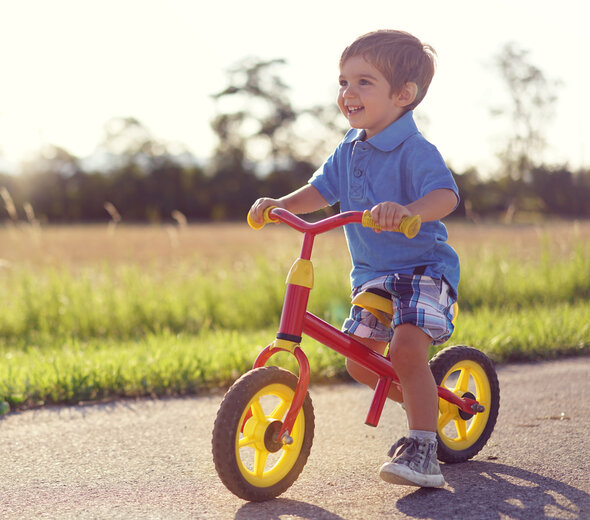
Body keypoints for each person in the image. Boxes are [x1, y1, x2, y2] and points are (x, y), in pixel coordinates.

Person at [249, 29, 459, 488]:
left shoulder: (414, 150)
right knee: (361, 362)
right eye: (343, 82)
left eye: (364, 82)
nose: (348, 93)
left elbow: (445, 195)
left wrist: (407, 211)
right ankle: (427, 400)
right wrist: (277, 204)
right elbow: (319, 192)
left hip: (423, 271)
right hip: (374, 278)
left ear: (404, 94)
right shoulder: (348, 148)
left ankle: (424, 448)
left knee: (404, 351)